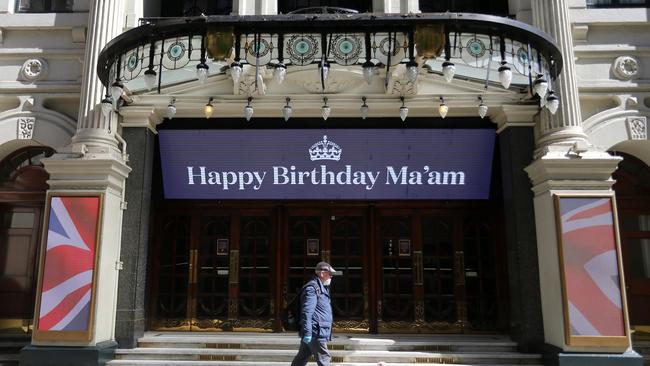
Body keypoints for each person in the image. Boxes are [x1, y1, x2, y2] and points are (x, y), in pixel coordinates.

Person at [290, 261, 336, 366]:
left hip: (317, 331)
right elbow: (307, 312)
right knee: (324, 358)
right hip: (315, 332)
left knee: (301, 358)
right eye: (330, 274)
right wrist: (308, 333)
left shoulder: (321, 288)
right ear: (322, 273)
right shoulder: (312, 289)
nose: (331, 276)